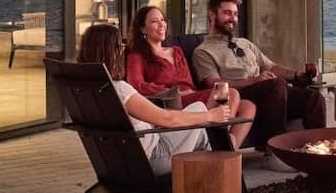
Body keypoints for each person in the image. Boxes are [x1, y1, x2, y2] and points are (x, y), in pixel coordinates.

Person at [192, 0, 326, 171]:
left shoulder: (245, 43)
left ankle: (317, 151)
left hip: (270, 92)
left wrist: (298, 75)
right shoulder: (203, 51)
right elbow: (214, 84)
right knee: (275, 85)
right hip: (241, 95)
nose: (232, 18)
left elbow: (271, 66)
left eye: (235, 14)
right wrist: (254, 80)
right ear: (212, 15)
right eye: (227, 13)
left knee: (313, 98)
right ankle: (273, 153)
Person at [76, 24, 231, 175]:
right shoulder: (119, 89)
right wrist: (212, 116)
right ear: (112, 51)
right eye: (120, 46)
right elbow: (168, 119)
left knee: (202, 136)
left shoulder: (85, 90)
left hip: (116, 162)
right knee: (199, 109)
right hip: (151, 158)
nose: (123, 50)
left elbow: (152, 117)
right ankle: (222, 180)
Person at [125, 5, 255, 151]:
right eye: (155, 21)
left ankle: (227, 151)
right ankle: (219, 145)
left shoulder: (176, 51)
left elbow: (188, 83)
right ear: (143, 29)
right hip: (171, 102)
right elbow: (136, 85)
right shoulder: (136, 56)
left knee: (248, 106)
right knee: (231, 93)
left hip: (191, 96)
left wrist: (190, 92)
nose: (162, 24)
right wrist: (172, 91)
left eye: (163, 20)